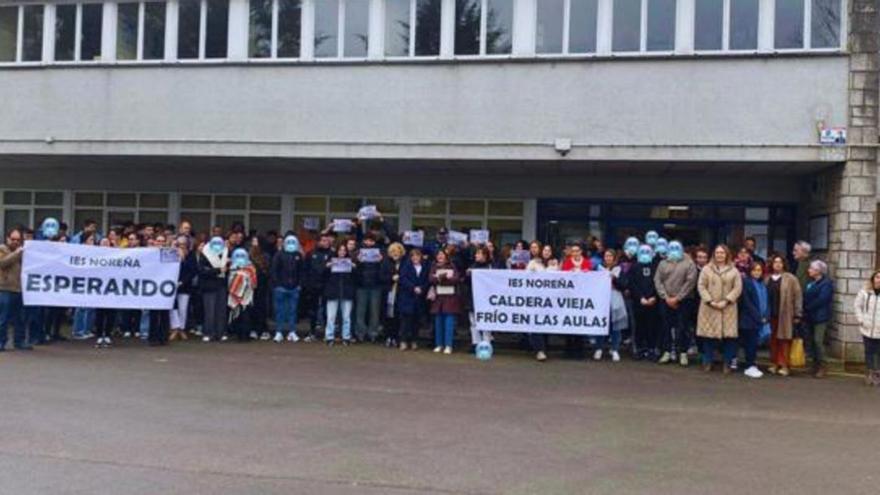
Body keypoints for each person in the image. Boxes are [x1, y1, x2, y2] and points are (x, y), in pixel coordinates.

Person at [696, 245, 743, 374]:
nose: (720, 255)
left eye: (722, 253)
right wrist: (710, 301)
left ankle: (727, 363)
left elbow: (737, 288)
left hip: (728, 308)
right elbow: (701, 286)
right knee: (708, 336)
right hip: (709, 307)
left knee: (729, 337)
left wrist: (727, 300)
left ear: (727, 254)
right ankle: (707, 361)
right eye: (717, 253)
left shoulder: (734, 270)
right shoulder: (706, 269)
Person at [653, 240, 697, 366]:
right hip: (665, 300)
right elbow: (657, 280)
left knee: (682, 327)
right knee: (665, 326)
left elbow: (690, 282)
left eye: (676, 247)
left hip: (684, 301)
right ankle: (666, 352)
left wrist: (678, 298)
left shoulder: (689, 263)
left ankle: (682, 353)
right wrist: (665, 297)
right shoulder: (662, 263)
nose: (673, 250)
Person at [765, 255, 802, 377]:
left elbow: (797, 297)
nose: (777, 264)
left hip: (785, 314)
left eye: (780, 262)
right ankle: (774, 363)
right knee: (773, 340)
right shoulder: (767, 278)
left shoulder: (791, 278)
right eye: (775, 262)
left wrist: (798, 314)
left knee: (784, 340)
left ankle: (785, 365)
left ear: (784, 264)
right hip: (771, 314)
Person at [0, 227, 31, 352]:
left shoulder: (23, 252)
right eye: (13, 239)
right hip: (5, 289)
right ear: (7, 239)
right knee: (4, 318)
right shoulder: (2, 249)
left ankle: (19, 341)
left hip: (19, 289)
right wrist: (17, 253)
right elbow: (2, 263)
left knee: (20, 318)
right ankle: (1, 342)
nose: (15, 242)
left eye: (18, 240)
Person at [626, 244, 659, 360]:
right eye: (643, 251)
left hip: (653, 302)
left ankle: (651, 349)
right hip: (638, 302)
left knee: (653, 326)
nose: (645, 253)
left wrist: (654, 296)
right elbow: (632, 284)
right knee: (639, 326)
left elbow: (658, 283)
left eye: (647, 251)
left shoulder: (656, 266)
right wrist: (640, 297)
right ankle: (639, 349)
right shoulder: (634, 267)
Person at [595, 249, 627, 362]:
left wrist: (614, 279)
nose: (608, 258)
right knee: (600, 324)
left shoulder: (618, 270)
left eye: (610, 256)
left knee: (616, 325)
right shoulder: (598, 269)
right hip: (601, 299)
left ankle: (615, 349)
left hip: (615, 299)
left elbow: (624, 285)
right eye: (606, 256)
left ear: (614, 258)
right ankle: (599, 348)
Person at [271, 234, 304, 343]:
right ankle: (279, 332)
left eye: (293, 242)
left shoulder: (298, 255)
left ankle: (292, 332)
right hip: (281, 288)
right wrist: (278, 285)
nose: (290, 244)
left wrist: (299, 284)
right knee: (280, 311)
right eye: (288, 242)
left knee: (293, 311)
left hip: (294, 288)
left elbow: (301, 271)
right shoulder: (279, 255)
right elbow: (274, 271)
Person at [803, 260, 833, 378]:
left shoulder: (826, 283)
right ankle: (815, 364)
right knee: (811, 341)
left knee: (818, 340)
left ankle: (822, 365)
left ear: (818, 271)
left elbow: (823, 299)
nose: (809, 270)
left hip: (820, 316)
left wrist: (808, 306)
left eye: (811, 268)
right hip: (810, 316)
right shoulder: (811, 283)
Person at [738, 262, 768, 378]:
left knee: (755, 343)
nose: (757, 272)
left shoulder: (762, 284)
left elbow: (767, 302)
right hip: (749, 319)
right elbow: (747, 302)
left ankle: (752, 364)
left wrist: (766, 315)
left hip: (761, 318)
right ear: (750, 271)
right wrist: (758, 317)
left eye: (759, 270)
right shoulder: (747, 283)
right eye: (754, 270)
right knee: (750, 344)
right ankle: (749, 365)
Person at [429, 249, 461, 355]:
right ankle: (439, 344)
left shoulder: (452, 266)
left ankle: (448, 345)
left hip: (450, 298)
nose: (440, 256)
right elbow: (430, 279)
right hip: (438, 298)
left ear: (446, 256)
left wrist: (442, 278)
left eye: (442, 254)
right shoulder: (434, 266)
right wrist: (442, 279)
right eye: (438, 254)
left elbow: (456, 279)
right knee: (438, 321)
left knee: (449, 322)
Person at [198, 236, 229, 343]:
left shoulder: (225, 252)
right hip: (209, 286)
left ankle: (220, 333)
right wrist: (218, 270)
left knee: (221, 311)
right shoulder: (205, 253)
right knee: (209, 311)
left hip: (221, 285)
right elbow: (202, 270)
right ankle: (208, 333)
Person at [302, 233, 333, 341]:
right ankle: (312, 332)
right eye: (323, 240)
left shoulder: (332, 254)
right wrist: (306, 284)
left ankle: (326, 332)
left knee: (326, 310)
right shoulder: (311, 254)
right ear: (318, 241)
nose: (326, 243)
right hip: (313, 285)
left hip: (327, 286)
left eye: (327, 241)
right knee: (313, 310)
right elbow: (306, 270)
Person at [324, 243, 357, 346]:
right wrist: (328, 267)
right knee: (331, 316)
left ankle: (346, 337)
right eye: (340, 250)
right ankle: (329, 337)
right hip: (333, 292)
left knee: (346, 316)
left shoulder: (350, 262)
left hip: (347, 292)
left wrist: (354, 267)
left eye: (344, 250)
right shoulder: (331, 261)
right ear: (336, 252)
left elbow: (356, 278)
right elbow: (323, 275)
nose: (342, 252)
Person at [354, 234, 384, 343]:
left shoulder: (380, 252)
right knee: (360, 311)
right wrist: (358, 261)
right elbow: (353, 268)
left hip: (376, 285)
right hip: (362, 285)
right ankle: (360, 333)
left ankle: (373, 333)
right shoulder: (358, 251)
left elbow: (384, 268)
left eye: (371, 240)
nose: (368, 242)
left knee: (374, 311)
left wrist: (381, 261)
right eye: (367, 240)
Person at [398, 248, 429, 350]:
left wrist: (422, 288)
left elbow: (427, 280)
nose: (415, 258)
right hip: (407, 296)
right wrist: (413, 287)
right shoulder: (406, 266)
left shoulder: (424, 267)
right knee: (405, 321)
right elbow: (403, 279)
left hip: (419, 297)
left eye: (417, 256)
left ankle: (414, 341)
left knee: (416, 321)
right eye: (413, 256)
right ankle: (403, 341)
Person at [169, 235, 198, 342]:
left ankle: (181, 328)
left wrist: (183, 259)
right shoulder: (171, 253)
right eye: (178, 244)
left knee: (183, 308)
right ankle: (174, 328)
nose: (181, 246)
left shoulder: (191, 255)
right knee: (172, 307)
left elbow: (193, 271)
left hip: (185, 285)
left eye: (183, 244)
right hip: (172, 284)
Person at [854, 270, 880, 386]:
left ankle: (877, 373)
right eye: (877, 277)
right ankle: (869, 372)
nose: (879, 280)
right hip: (867, 327)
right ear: (873, 279)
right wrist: (861, 320)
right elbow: (857, 306)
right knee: (869, 351)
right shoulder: (865, 292)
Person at [71, 231, 98, 340]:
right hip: (81, 282)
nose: (93, 242)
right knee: (81, 307)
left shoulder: (95, 251)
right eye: (91, 239)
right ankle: (78, 330)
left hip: (92, 281)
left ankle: (87, 329)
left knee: (90, 307)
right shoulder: (80, 251)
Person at [380, 242, 406, 348]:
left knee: (398, 316)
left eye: (397, 251)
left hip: (401, 292)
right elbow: (381, 277)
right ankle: (388, 337)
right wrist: (391, 278)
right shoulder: (386, 263)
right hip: (389, 291)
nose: (395, 253)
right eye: (393, 251)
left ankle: (396, 337)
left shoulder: (405, 263)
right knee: (388, 315)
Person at [248, 236, 272, 341]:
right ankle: (253, 329)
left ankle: (263, 329)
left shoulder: (265, 256)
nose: (254, 243)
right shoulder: (248, 255)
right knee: (252, 307)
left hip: (262, 285)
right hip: (250, 286)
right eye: (252, 241)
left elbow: (267, 270)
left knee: (261, 307)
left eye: (255, 241)